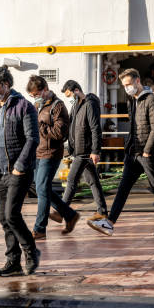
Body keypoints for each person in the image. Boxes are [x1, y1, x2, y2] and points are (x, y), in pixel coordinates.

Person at [87, 69, 154, 237]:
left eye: (128, 84)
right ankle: (110, 223)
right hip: (133, 153)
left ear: (137, 81)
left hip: (147, 154)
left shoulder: (151, 100)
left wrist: (148, 151)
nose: (126, 88)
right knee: (123, 187)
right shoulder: (132, 101)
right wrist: (129, 148)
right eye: (124, 85)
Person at [0, 65, 41, 277]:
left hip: (19, 170)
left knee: (12, 215)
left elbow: (32, 138)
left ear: (6, 85)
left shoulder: (24, 106)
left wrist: (20, 166)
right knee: (3, 219)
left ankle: (31, 251)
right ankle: (13, 260)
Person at [26, 75, 79, 239]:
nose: (34, 97)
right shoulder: (37, 106)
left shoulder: (58, 106)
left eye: (36, 94)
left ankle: (40, 228)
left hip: (51, 153)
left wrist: (40, 127)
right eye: (32, 95)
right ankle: (69, 215)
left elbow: (59, 133)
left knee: (42, 188)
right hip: (37, 152)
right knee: (42, 187)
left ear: (45, 90)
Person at [53, 80, 108, 224]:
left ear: (76, 90)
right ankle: (102, 212)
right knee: (93, 182)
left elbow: (95, 128)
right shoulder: (77, 106)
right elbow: (72, 128)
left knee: (71, 180)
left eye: (69, 94)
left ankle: (61, 212)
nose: (69, 98)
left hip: (85, 150)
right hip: (79, 149)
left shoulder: (89, 104)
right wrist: (68, 146)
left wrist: (96, 150)